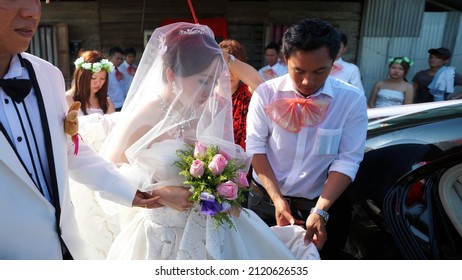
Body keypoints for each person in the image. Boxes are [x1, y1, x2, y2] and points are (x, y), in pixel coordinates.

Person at [95, 22, 319, 260]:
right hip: (163, 234)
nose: (209, 90)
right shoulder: (145, 116)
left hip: (211, 224)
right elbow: (108, 173)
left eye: (212, 81)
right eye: (202, 81)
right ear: (171, 75)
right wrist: (159, 192)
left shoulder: (203, 112)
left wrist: (224, 189)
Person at [0, 0, 159, 260]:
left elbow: (70, 151)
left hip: (68, 249)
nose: (32, 11)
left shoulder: (47, 75)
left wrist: (134, 193)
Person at [246, 18, 368, 259]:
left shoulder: (350, 100)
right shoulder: (266, 93)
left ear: (333, 62)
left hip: (323, 207)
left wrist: (320, 211)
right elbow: (256, 148)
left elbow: (348, 159)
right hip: (266, 203)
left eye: (319, 71)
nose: (307, 82)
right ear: (285, 60)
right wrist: (277, 200)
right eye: (298, 71)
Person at [218, 39, 263, 150]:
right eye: (223, 67)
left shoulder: (249, 93)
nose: (228, 74)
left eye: (233, 68)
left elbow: (259, 84)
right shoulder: (205, 96)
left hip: (245, 162)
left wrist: (228, 58)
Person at [66, 50, 116, 115]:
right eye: (93, 78)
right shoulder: (67, 99)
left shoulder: (107, 103)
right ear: (82, 76)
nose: (98, 83)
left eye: (102, 78)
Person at [107, 46, 127, 111]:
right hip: (112, 106)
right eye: (117, 58)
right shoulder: (105, 73)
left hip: (123, 105)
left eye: (121, 59)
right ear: (110, 58)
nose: (120, 61)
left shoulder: (120, 71)